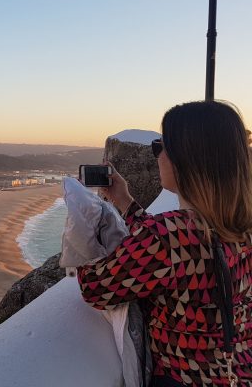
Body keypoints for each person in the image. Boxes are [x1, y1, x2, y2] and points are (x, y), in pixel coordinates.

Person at [77, 100, 252, 386]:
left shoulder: (167, 237)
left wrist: (83, 222)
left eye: (161, 146)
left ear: (187, 158)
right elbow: (169, 250)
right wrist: (124, 202)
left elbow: (94, 288)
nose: (157, 156)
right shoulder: (240, 229)